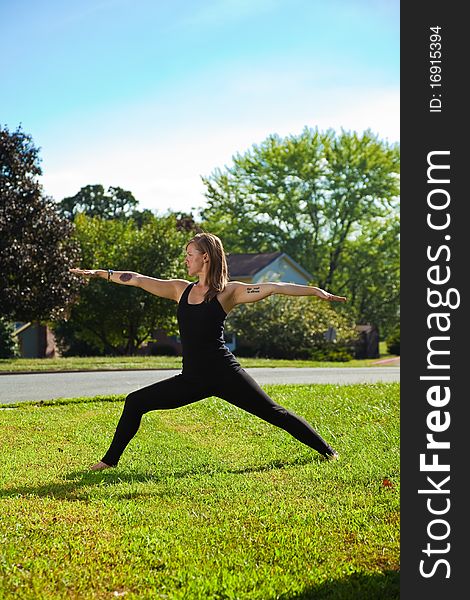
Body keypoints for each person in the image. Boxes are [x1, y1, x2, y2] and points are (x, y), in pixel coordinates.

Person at [70, 232, 347, 471]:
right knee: (135, 402)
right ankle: (109, 461)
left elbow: (273, 287)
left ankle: (328, 452)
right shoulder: (180, 289)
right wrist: (101, 274)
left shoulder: (229, 292)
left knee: (274, 412)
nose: (186, 259)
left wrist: (314, 291)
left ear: (206, 257)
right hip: (192, 379)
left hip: (225, 373)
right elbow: (138, 279)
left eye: (190, 254)